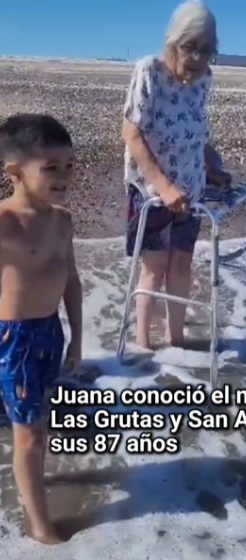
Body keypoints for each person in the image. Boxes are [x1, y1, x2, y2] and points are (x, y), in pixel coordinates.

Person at [122, 0, 231, 350]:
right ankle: (142, 345)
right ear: (173, 41)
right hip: (151, 191)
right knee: (154, 266)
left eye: (207, 51)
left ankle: (177, 343)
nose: (198, 59)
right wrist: (164, 186)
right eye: (191, 48)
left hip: (190, 189)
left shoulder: (203, 80)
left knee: (182, 264)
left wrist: (211, 165)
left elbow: (197, 134)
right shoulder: (149, 71)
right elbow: (132, 135)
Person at [0, 114, 83, 544]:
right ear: (15, 173)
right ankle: (38, 524)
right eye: (51, 167)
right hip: (11, 340)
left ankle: (32, 481)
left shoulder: (63, 220)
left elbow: (71, 281)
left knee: (38, 421)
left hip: (50, 332)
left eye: (70, 164)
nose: (65, 175)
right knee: (29, 434)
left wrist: (77, 340)